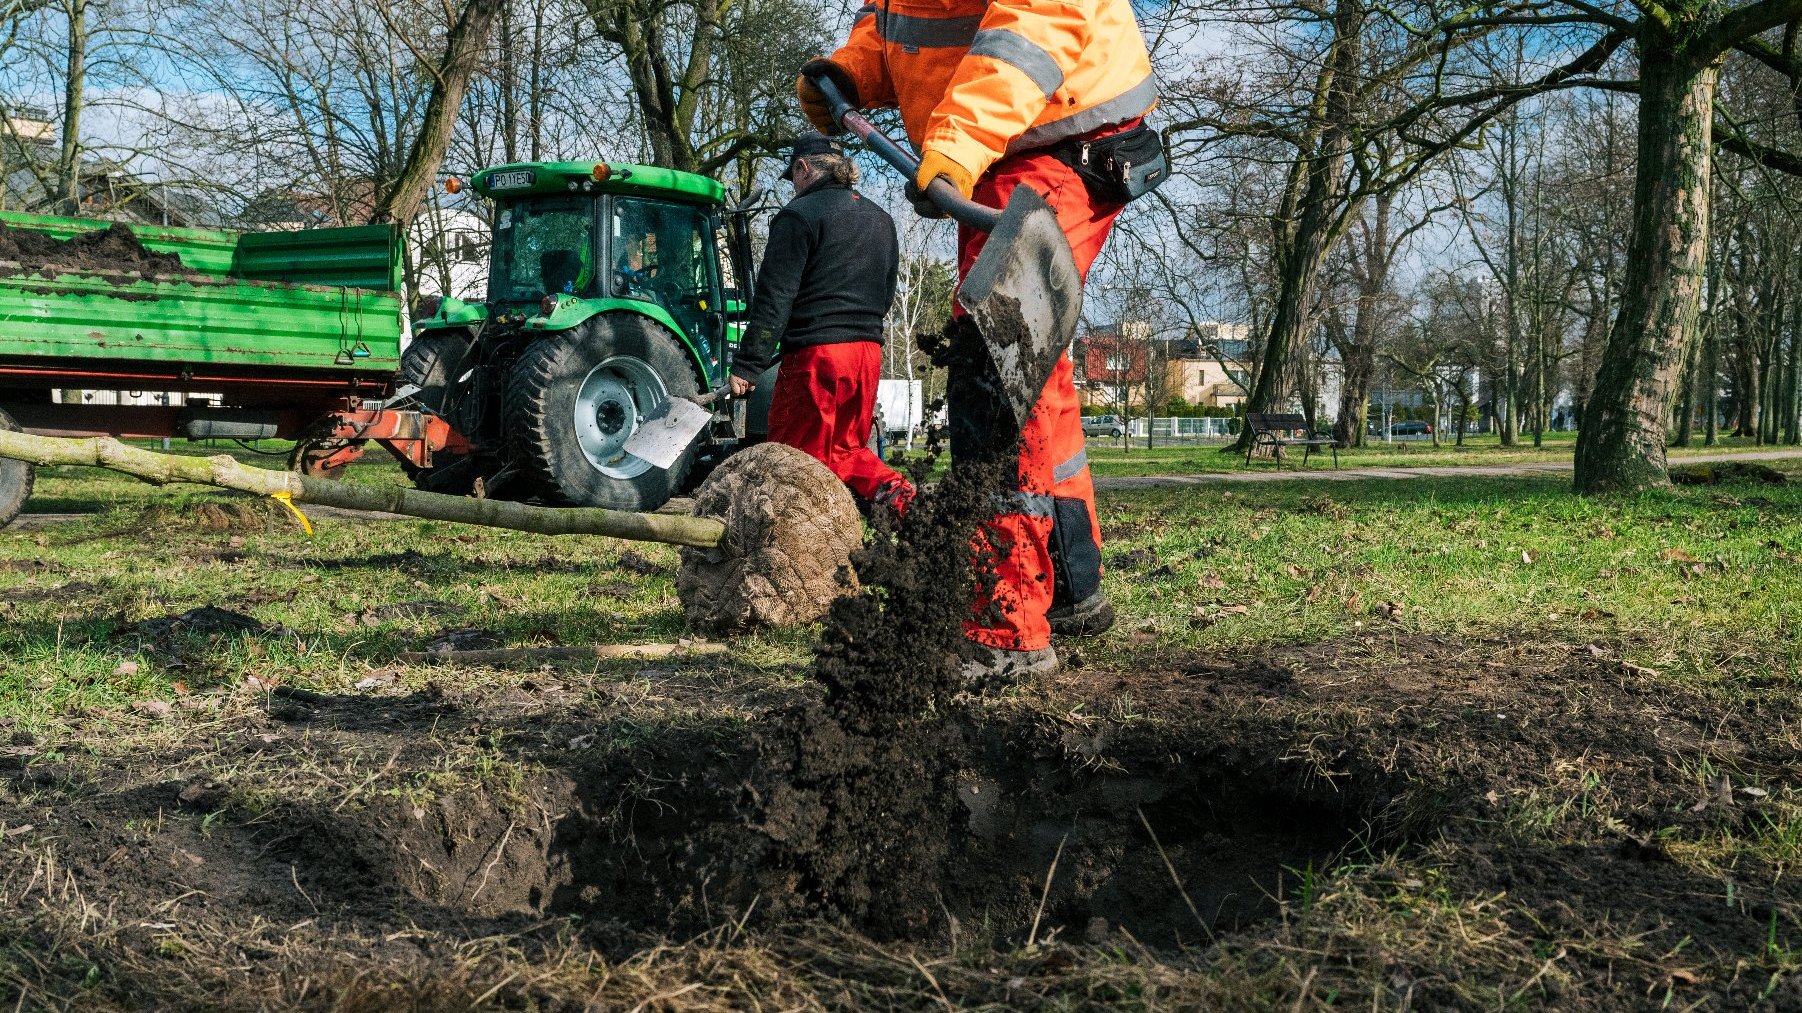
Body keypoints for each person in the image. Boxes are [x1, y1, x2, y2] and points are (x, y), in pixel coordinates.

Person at [797, 0, 1158, 678]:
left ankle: (1006, 625)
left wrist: (957, 143)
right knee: (1030, 370)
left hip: (1063, 141)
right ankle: (1072, 586)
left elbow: (1036, 25)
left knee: (995, 358)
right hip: (995, 152)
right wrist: (851, 69)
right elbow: (904, 25)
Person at [728, 133, 914, 511]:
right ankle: (913, 511)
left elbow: (774, 299)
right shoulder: (881, 220)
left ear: (803, 168)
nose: (794, 186)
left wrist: (748, 365)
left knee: (790, 461)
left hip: (818, 358)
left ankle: (790, 549)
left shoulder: (798, 216)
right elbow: (886, 292)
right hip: (866, 354)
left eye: (793, 176)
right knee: (846, 452)